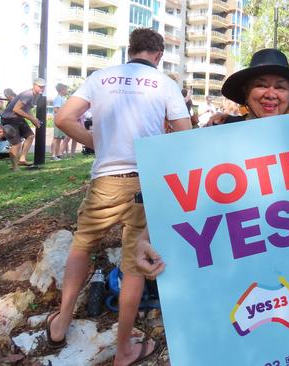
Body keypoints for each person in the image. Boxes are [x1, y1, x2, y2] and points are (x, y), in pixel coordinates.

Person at [47, 28, 191, 366]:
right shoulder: (165, 84)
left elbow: (63, 118)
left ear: (131, 51)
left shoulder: (100, 77)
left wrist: (98, 143)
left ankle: (61, 322)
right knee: (135, 265)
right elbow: (186, 136)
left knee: (83, 245)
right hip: (145, 181)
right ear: (158, 55)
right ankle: (124, 348)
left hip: (106, 180)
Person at [0, 78, 46, 170]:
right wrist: (31, 118)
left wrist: (34, 119)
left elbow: (27, 109)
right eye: (39, 86)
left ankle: (22, 159)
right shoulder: (28, 94)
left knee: (30, 136)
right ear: (34, 85)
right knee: (16, 143)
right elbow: (16, 109)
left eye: (43, 86)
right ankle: (14, 167)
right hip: (9, 119)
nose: (42, 88)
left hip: (18, 119)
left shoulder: (35, 95)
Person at [51, 83, 69, 161]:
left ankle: (57, 155)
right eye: (65, 89)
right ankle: (53, 155)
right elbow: (56, 109)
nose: (66, 91)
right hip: (58, 120)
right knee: (56, 138)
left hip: (60, 120)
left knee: (59, 138)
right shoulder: (58, 98)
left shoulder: (61, 98)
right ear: (61, 90)